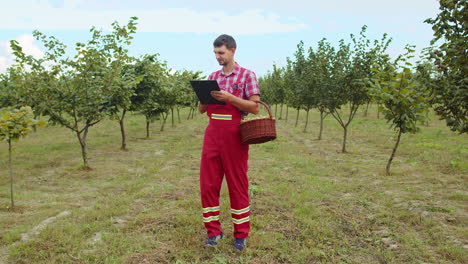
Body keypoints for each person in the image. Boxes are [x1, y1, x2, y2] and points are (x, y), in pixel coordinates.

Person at [198, 34, 260, 251]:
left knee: (237, 185)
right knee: (208, 185)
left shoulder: (246, 76)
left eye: (221, 53)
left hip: (235, 136)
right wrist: (204, 97)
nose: (217, 57)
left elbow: (254, 107)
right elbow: (201, 109)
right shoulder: (212, 76)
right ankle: (213, 232)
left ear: (233, 50)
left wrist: (230, 98)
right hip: (212, 134)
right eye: (215, 53)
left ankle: (241, 234)